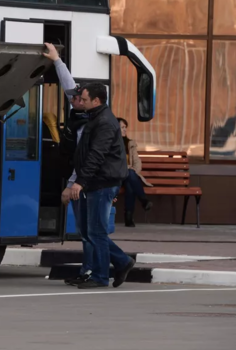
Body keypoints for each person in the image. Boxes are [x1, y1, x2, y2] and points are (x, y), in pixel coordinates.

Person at [69, 83, 135, 289]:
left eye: (85, 100)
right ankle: (122, 261)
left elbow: (97, 155)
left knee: (96, 231)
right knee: (91, 231)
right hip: (96, 182)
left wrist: (80, 182)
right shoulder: (96, 117)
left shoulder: (104, 122)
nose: (82, 102)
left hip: (102, 183)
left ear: (96, 101)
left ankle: (100, 276)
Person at [43, 43, 92, 287]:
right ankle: (89, 269)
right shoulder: (80, 112)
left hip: (86, 183)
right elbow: (67, 85)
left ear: (89, 101)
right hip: (83, 180)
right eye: (74, 96)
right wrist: (56, 60)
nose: (73, 99)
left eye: (79, 98)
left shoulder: (88, 124)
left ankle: (100, 267)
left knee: (90, 232)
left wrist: (72, 184)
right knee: (88, 232)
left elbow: (84, 158)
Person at [117, 117, 153, 227]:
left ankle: (129, 217)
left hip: (129, 175)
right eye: (122, 127)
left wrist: (133, 169)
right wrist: (127, 168)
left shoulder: (130, 143)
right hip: (116, 176)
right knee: (130, 177)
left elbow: (137, 162)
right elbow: (113, 163)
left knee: (130, 184)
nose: (124, 130)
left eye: (125, 128)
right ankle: (143, 200)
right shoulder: (111, 144)